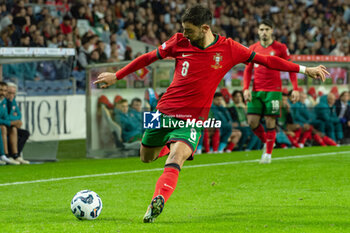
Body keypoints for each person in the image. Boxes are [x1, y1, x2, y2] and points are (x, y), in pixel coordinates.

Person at [94, 5, 329, 223]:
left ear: (205, 28)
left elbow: (267, 60)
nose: (184, 34)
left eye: (189, 30)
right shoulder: (178, 42)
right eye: (183, 30)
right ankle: (167, 143)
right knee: (146, 156)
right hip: (163, 111)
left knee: (177, 158)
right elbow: (148, 58)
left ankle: (158, 202)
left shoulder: (229, 48)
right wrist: (118, 75)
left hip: (194, 118)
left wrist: (304, 69)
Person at [243, 19, 301, 164]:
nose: (264, 32)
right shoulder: (253, 48)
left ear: (272, 31)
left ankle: (267, 154)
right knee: (252, 122)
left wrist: (295, 88)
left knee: (270, 121)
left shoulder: (280, 48)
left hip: (273, 90)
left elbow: (290, 67)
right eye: (261, 29)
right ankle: (268, 142)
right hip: (256, 90)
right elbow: (247, 70)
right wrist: (245, 88)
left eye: (267, 29)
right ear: (258, 31)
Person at [6, 82, 30, 164]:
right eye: (9, 93)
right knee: (13, 129)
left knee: (25, 133)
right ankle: (11, 155)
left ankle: (17, 155)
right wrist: (13, 121)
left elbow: (19, 115)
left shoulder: (13, 101)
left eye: (13, 93)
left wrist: (15, 120)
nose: (11, 95)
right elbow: (5, 116)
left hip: (9, 125)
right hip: (4, 126)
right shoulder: (4, 102)